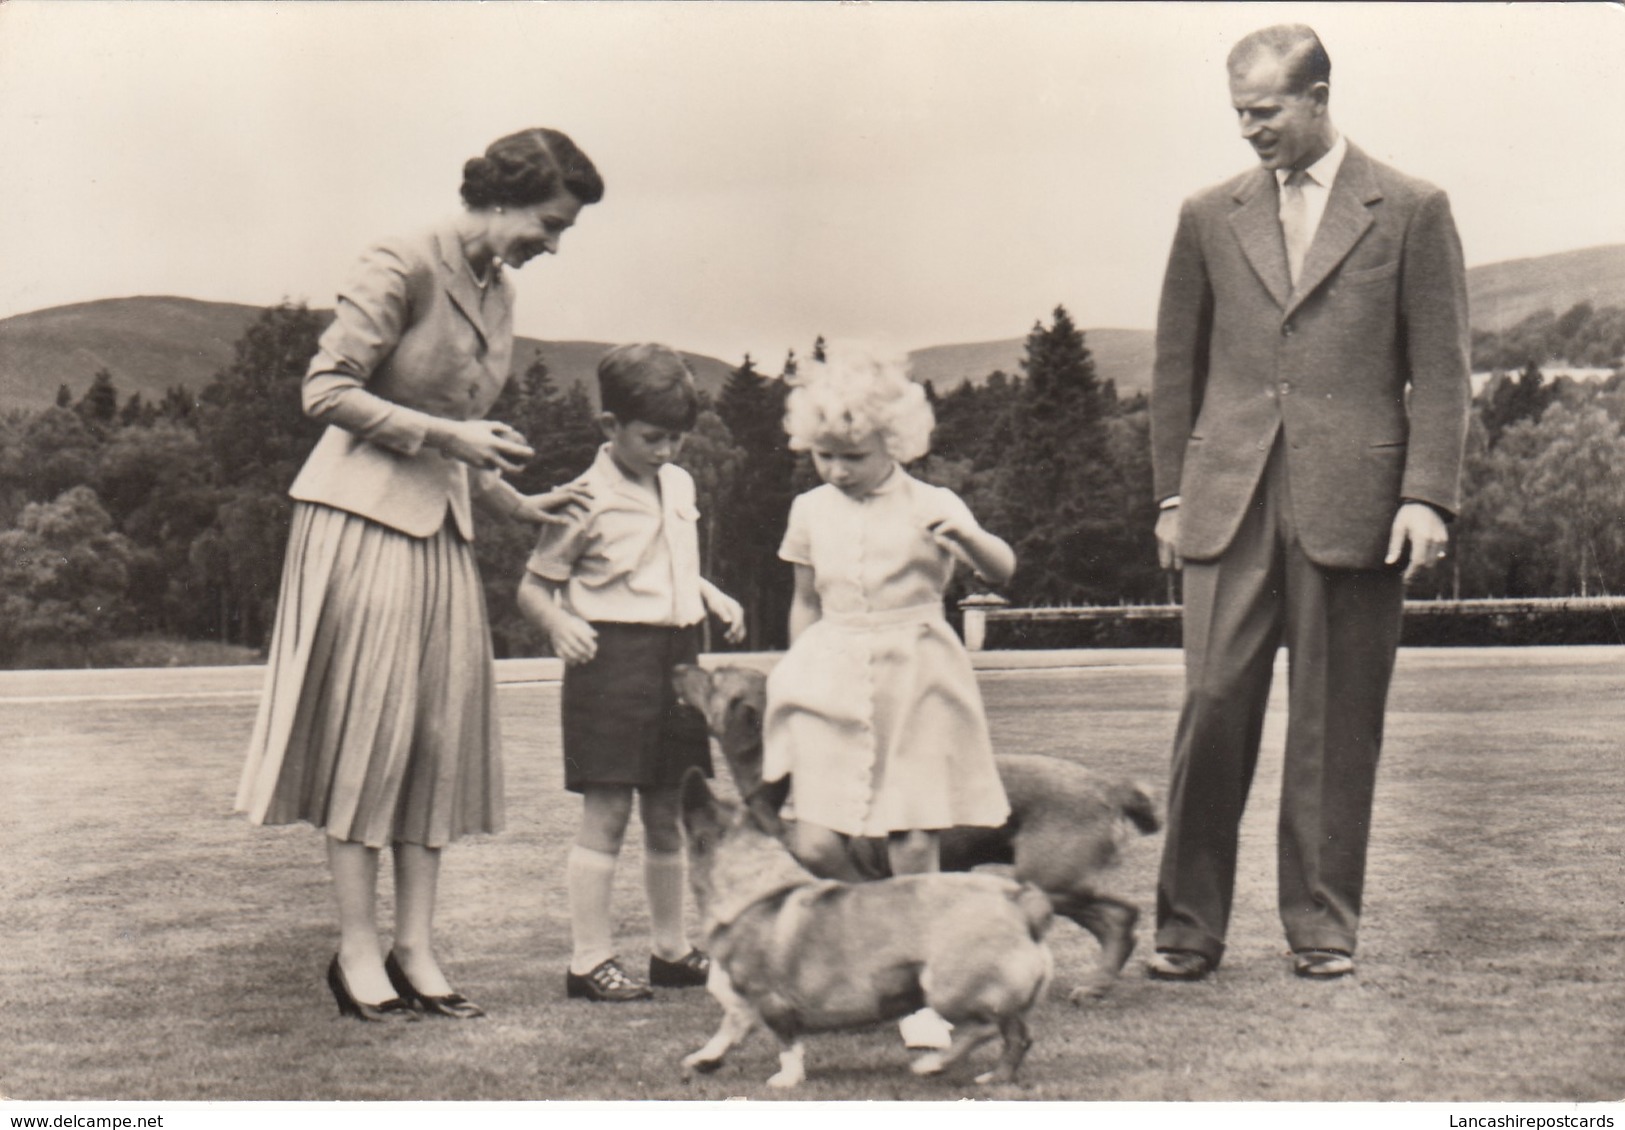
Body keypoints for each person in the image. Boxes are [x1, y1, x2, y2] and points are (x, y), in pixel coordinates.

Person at [236, 128, 604, 1021]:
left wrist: (521, 504)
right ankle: (357, 950)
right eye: (549, 223)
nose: (551, 244)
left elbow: (457, 428)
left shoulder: (499, 288)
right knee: (373, 736)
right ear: (505, 198)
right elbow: (324, 392)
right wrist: (447, 438)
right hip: (359, 521)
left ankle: (417, 949)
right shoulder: (401, 259)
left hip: (442, 530)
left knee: (435, 741)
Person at [1147, 25, 1471, 982]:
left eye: (1266, 111)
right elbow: (1175, 364)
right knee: (1210, 706)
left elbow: (1442, 372)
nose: (1249, 130)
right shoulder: (1208, 214)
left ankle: (1322, 927)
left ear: (1318, 97)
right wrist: (1170, 492)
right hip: (1225, 501)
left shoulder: (1411, 208)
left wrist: (1427, 498)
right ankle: (1185, 928)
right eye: (1238, 113)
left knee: (1335, 722)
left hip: (1359, 507)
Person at [761, 351, 1015, 1047]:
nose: (836, 471)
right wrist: (798, 672)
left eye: (853, 456)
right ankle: (878, 931)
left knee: (911, 836)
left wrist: (968, 538)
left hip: (918, 674)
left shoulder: (934, 503)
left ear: (894, 443)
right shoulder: (808, 509)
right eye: (823, 456)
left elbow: (1005, 569)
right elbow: (804, 602)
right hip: (834, 669)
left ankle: (922, 995)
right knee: (813, 838)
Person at [518, 343, 746, 1003]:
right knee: (609, 812)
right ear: (608, 426)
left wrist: (710, 594)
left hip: (679, 658)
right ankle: (589, 961)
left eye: (677, 437)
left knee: (670, 810)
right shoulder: (582, 499)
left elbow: (663, 562)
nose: (667, 451)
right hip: (609, 662)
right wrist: (559, 624)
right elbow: (533, 588)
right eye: (652, 437)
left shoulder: (678, 483)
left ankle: (671, 952)